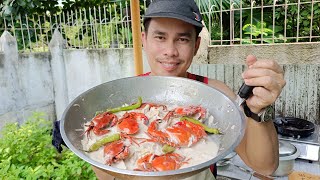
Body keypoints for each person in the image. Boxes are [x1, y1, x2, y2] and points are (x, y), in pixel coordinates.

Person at [92, 0, 286, 179]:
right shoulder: (123, 98)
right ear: (144, 39)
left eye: (182, 39)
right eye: (160, 37)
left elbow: (265, 167)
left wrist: (257, 111)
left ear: (196, 45)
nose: (170, 51)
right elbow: (107, 174)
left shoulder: (215, 95)